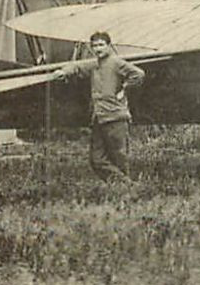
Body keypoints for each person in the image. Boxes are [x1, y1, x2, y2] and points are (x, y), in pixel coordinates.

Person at [51, 30, 146, 179]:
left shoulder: (116, 63)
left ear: (109, 46)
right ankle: (124, 185)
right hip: (99, 118)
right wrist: (63, 71)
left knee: (119, 157)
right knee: (97, 160)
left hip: (116, 117)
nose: (98, 49)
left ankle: (124, 191)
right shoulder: (94, 64)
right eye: (94, 46)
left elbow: (138, 74)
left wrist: (124, 87)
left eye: (101, 45)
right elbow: (77, 66)